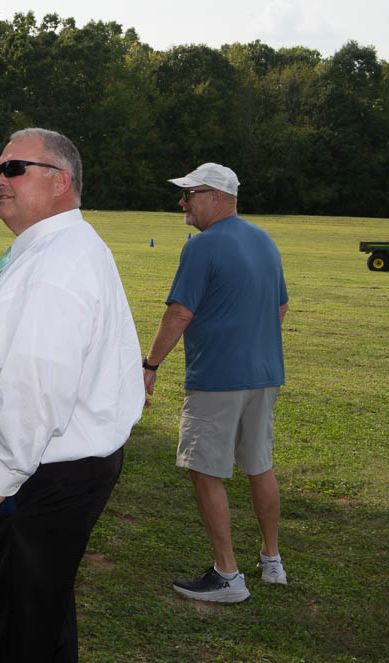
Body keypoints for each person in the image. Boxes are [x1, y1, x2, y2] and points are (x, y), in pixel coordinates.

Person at [0, 128, 144, 662]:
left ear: (61, 183)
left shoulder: (59, 263)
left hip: (32, 477)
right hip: (47, 473)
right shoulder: (56, 247)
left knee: (9, 630)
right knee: (40, 620)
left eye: (15, 168)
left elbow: (37, 385)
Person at [142, 162, 288, 604]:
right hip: (264, 375)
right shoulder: (264, 240)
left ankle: (227, 576)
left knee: (206, 469)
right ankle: (272, 560)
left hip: (218, 379)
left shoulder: (201, 247)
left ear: (218, 196)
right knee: (258, 465)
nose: (182, 201)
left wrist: (149, 365)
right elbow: (280, 308)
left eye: (190, 193)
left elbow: (180, 313)